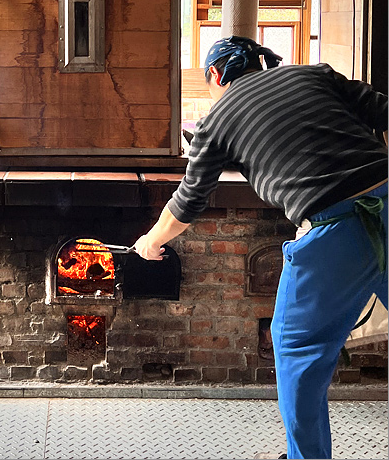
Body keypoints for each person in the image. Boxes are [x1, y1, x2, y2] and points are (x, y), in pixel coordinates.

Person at [133, 36, 388, 460]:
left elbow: (189, 201)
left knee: (296, 348)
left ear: (216, 75)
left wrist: (151, 242)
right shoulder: (314, 73)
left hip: (336, 230)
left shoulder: (216, 120)